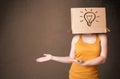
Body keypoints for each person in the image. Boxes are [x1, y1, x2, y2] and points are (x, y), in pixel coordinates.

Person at [36, 33, 108, 79]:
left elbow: (103, 58)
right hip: (75, 75)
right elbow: (71, 59)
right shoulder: (76, 38)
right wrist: (52, 57)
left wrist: (85, 63)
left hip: (92, 75)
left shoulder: (102, 37)